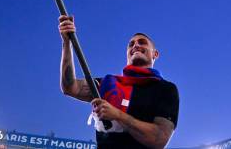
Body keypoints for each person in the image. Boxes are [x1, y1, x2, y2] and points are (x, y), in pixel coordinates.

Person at [58, 15, 179, 148]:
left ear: (155, 54)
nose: (136, 45)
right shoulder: (108, 84)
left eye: (142, 42)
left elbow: (159, 140)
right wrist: (67, 43)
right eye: (131, 44)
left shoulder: (166, 89)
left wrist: (118, 115)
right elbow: (70, 87)